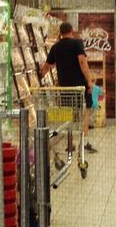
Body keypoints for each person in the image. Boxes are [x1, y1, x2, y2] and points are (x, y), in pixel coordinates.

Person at [41, 22, 97, 153]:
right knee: (85, 114)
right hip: (79, 87)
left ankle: (70, 143)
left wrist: (40, 76)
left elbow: (46, 66)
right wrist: (89, 81)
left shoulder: (56, 47)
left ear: (60, 33)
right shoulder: (77, 44)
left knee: (69, 116)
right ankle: (84, 142)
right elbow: (82, 62)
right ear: (71, 31)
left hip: (65, 89)